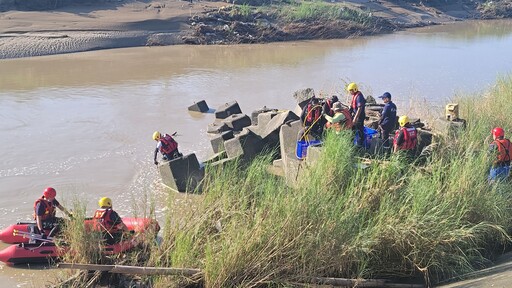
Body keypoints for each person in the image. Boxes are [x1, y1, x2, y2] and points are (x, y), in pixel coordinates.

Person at [347, 82, 366, 147]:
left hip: (359, 117)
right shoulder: (355, 96)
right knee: (352, 129)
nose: (350, 92)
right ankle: (352, 142)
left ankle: (361, 144)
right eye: (349, 91)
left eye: (351, 90)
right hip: (355, 115)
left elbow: (359, 108)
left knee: (360, 129)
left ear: (355, 89)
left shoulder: (359, 97)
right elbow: (352, 107)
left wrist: (355, 118)